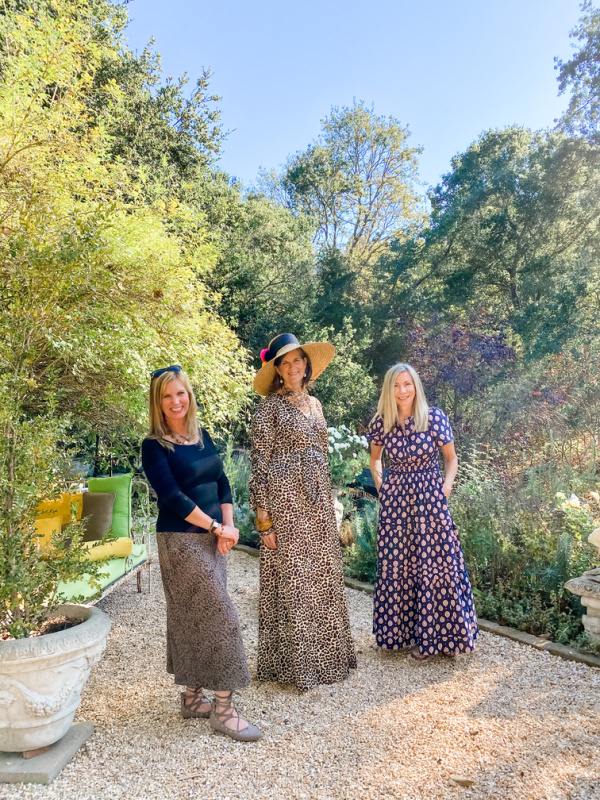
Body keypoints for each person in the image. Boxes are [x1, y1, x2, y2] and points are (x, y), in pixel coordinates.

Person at [141, 365, 262, 742]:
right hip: (181, 541)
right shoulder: (153, 446)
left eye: (180, 393)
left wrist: (229, 526)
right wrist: (214, 527)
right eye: (166, 396)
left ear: (189, 395)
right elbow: (172, 497)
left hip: (214, 538)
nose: (175, 401)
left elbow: (222, 480)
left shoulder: (201, 435)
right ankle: (224, 710)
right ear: (158, 402)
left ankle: (193, 698)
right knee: (221, 617)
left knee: (193, 616)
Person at [250, 334, 357, 690]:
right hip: (285, 503)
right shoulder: (269, 408)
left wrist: (330, 503)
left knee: (322, 576)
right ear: (278, 370)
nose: (293, 366)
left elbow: (322, 456)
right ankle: (296, 667)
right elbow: (259, 463)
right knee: (294, 580)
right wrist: (263, 520)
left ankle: (328, 659)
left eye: (298, 359)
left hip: (317, 503)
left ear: (306, 365)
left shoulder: (316, 404)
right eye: (285, 362)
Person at [367, 363, 478, 660]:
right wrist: (382, 487)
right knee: (398, 565)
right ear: (388, 390)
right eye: (396, 385)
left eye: (407, 384)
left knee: (437, 565)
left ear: (415, 386)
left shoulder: (433, 417)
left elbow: (451, 458)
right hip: (396, 504)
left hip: (430, 500)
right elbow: (375, 459)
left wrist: (446, 487)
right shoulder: (381, 423)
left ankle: (444, 638)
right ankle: (402, 635)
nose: (402, 390)